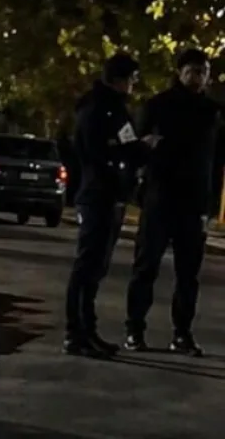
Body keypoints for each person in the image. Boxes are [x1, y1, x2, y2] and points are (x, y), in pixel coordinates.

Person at [64, 52, 161, 357]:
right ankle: (77, 332)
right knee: (88, 265)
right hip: (98, 194)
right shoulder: (98, 109)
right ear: (119, 79)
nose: (134, 84)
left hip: (112, 194)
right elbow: (101, 151)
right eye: (132, 79)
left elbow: (123, 146)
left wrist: (136, 151)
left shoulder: (114, 108)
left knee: (97, 267)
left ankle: (86, 330)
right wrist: (139, 149)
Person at [124, 47, 219, 356]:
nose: (197, 77)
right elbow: (135, 147)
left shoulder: (212, 112)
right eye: (191, 71)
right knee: (146, 267)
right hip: (160, 197)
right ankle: (134, 329)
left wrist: (209, 204)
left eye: (202, 72)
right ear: (180, 73)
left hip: (194, 203)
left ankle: (182, 333)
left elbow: (216, 161)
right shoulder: (158, 106)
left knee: (188, 274)